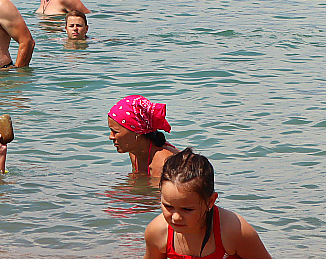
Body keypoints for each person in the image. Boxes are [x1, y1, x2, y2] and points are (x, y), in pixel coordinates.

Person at [144, 149, 273, 259]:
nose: (176, 217)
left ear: (210, 201)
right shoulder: (157, 233)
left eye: (187, 209)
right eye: (168, 206)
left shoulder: (233, 230)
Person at [108, 95, 177, 177]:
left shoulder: (164, 165)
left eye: (115, 132)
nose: (111, 137)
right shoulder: (134, 152)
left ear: (137, 132)